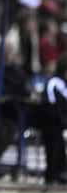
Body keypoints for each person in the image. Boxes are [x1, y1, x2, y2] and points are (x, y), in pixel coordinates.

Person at [29, 53, 67, 184]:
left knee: (58, 144)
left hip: (58, 121)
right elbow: (51, 103)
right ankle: (53, 175)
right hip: (50, 120)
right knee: (53, 145)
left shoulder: (61, 82)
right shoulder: (55, 82)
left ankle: (60, 172)